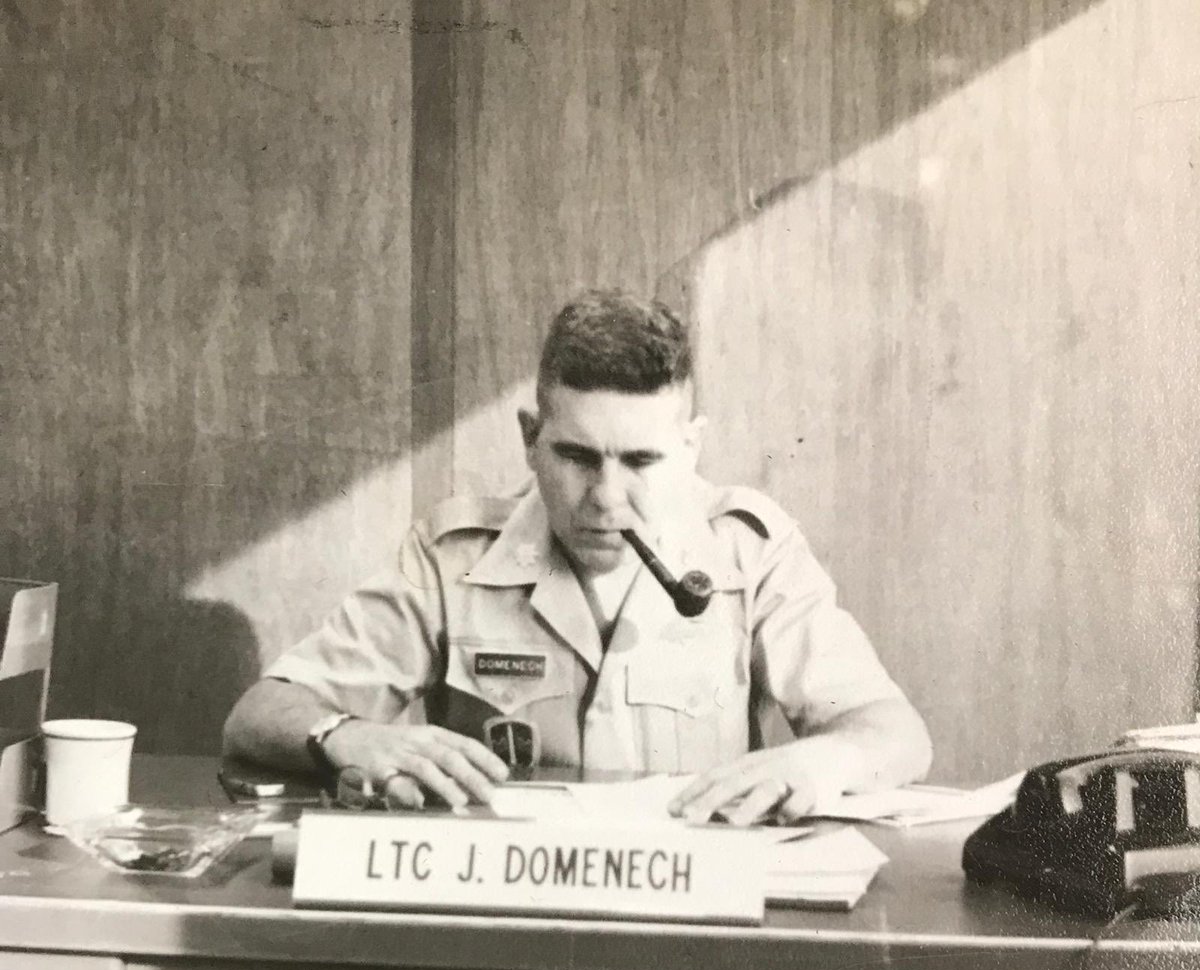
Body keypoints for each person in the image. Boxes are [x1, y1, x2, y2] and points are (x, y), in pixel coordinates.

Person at [223, 290, 931, 824]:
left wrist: (819, 760)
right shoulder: (452, 558)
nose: (605, 497)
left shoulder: (751, 551)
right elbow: (258, 714)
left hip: (690, 914)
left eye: (641, 461)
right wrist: (345, 736)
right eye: (576, 456)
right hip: (509, 914)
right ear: (531, 438)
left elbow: (895, 732)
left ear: (690, 448)